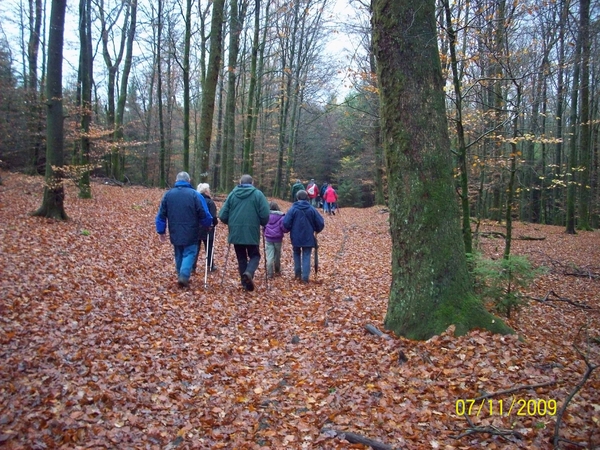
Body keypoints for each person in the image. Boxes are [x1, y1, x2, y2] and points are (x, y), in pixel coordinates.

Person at [155, 171, 212, 287]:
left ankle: (180, 274)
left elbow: (161, 214)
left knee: (179, 252)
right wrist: (207, 224)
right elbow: (203, 213)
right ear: (189, 181)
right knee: (190, 252)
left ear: (176, 181)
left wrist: (161, 231)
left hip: (174, 230)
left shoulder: (168, 195)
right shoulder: (195, 195)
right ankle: (184, 275)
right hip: (191, 230)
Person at [219, 174, 270, 291]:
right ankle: (249, 273)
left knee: (241, 257)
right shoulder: (258, 195)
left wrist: (232, 223)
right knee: (255, 255)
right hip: (252, 231)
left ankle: (245, 284)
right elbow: (265, 214)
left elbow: (222, 215)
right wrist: (262, 222)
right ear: (252, 183)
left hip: (236, 231)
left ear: (240, 182)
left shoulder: (232, 194)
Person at [283, 190, 325, 283]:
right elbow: (320, 222)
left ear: (297, 198)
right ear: (307, 198)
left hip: (295, 236)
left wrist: (289, 228)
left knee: (296, 253)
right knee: (306, 255)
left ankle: (297, 274)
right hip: (308, 236)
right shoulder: (311, 209)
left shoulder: (293, 209)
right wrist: (316, 230)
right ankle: (305, 278)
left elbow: (286, 223)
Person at [193, 183, 219, 272]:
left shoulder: (195, 200)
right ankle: (210, 265)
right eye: (208, 190)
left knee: (195, 247)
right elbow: (213, 216)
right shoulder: (210, 202)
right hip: (207, 227)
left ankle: (192, 266)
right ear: (206, 191)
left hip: (196, 227)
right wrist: (215, 223)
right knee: (209, 247)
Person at [264, 201, 289, 278]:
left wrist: (264, 232)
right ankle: (277, 269)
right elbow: (283, 228)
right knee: (277, 255)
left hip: (268, 238)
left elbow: (263, 226)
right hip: (278, 239)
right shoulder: (281, 217)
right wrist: (286, 230)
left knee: (269, 256)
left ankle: (270, 273)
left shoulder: (266, 216)